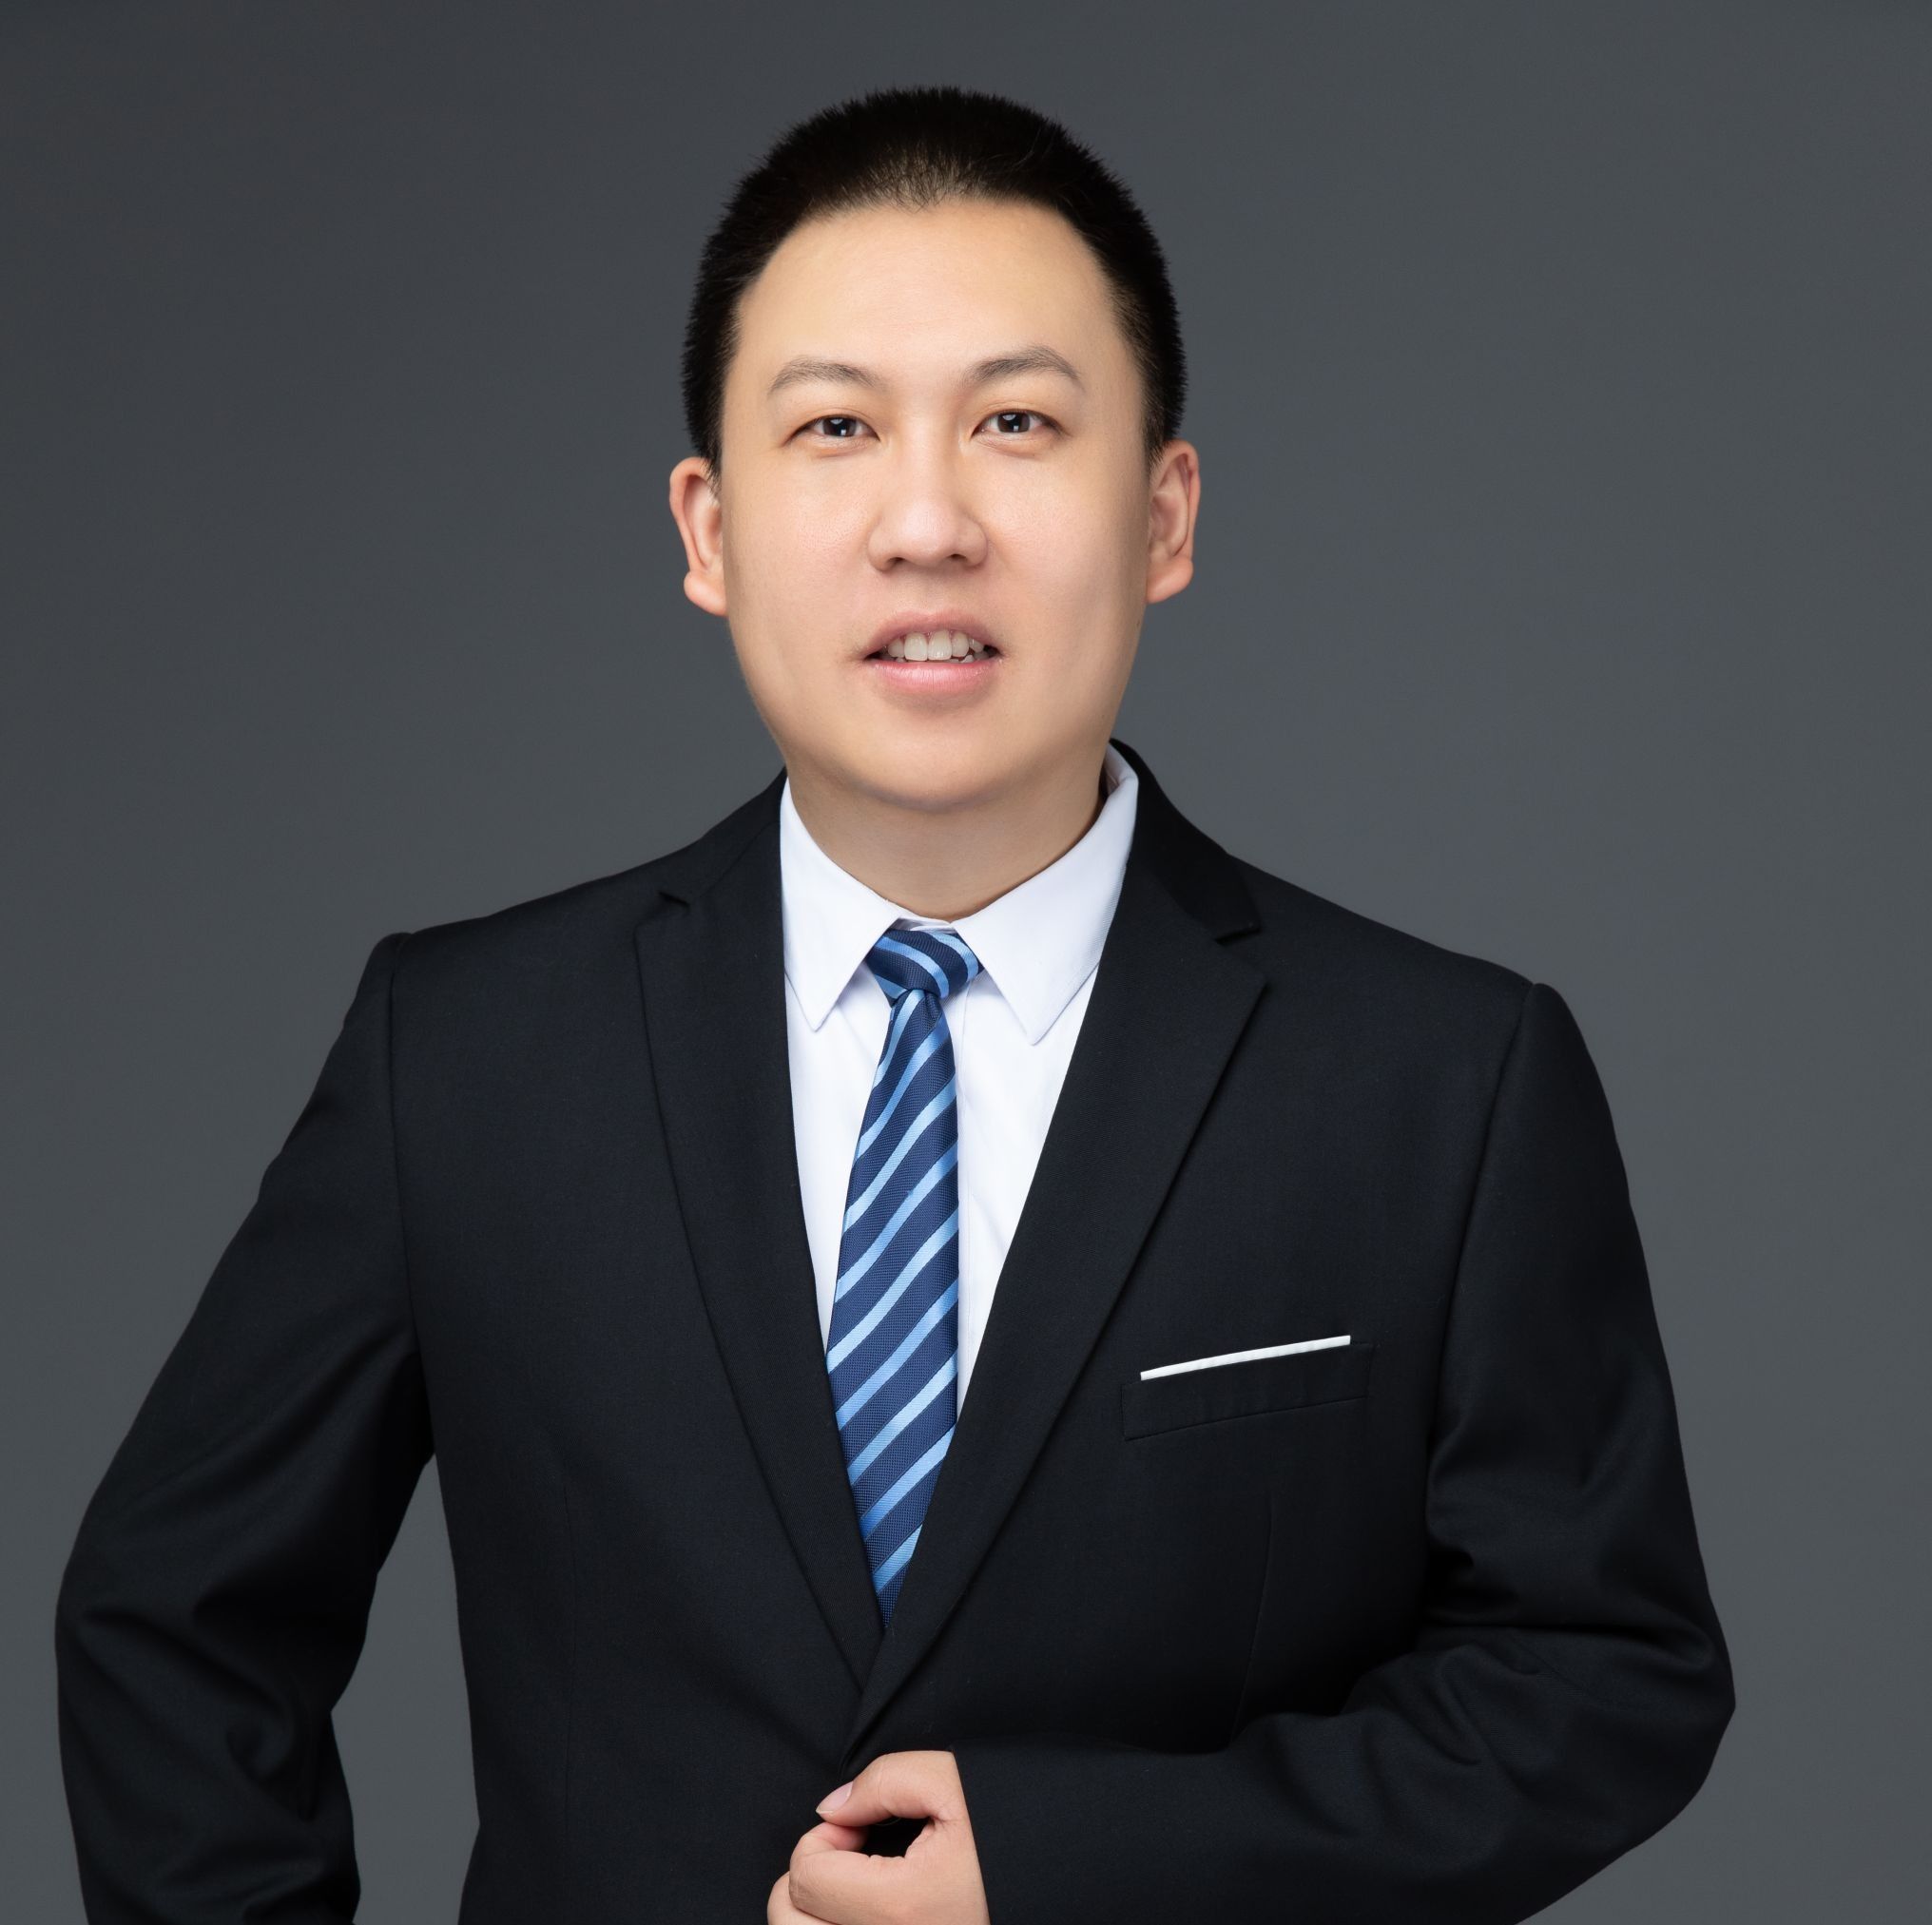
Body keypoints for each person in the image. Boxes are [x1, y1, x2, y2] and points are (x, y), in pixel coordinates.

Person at [54, 84, 1734, 1925]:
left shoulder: (1442, 1078)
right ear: (708, 530)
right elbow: (173, 1615)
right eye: (835, 426)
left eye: (1016, 421)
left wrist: (1071, 1867)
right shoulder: (462, 1052)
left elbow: (1599, 1675)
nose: (925, 521)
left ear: (1163, 513)